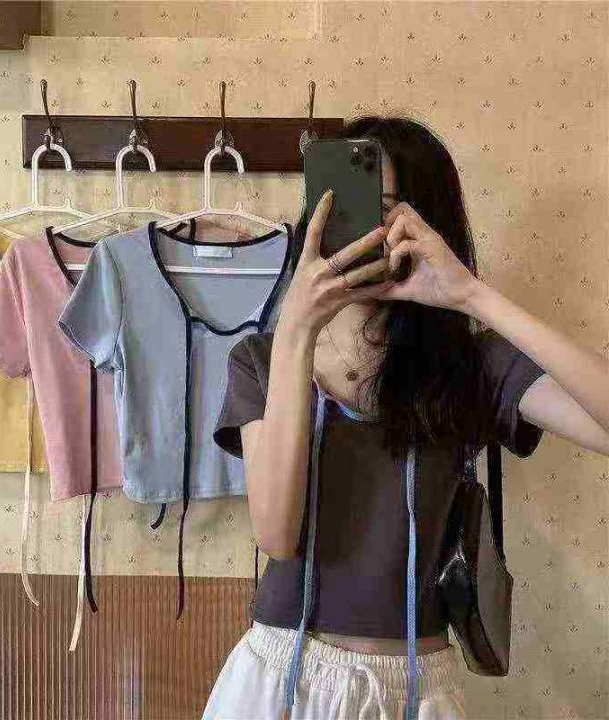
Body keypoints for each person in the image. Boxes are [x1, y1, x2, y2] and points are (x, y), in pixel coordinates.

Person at [201, 116, 609, 720]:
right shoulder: (263, 360)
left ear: (429, 226)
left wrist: (471, 295)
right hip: (283, 679)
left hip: (416, 689)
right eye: (344, 206)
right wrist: (297, 328)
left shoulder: (471, 366)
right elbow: (278, 536)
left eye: (385, 211)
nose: (362, 232)